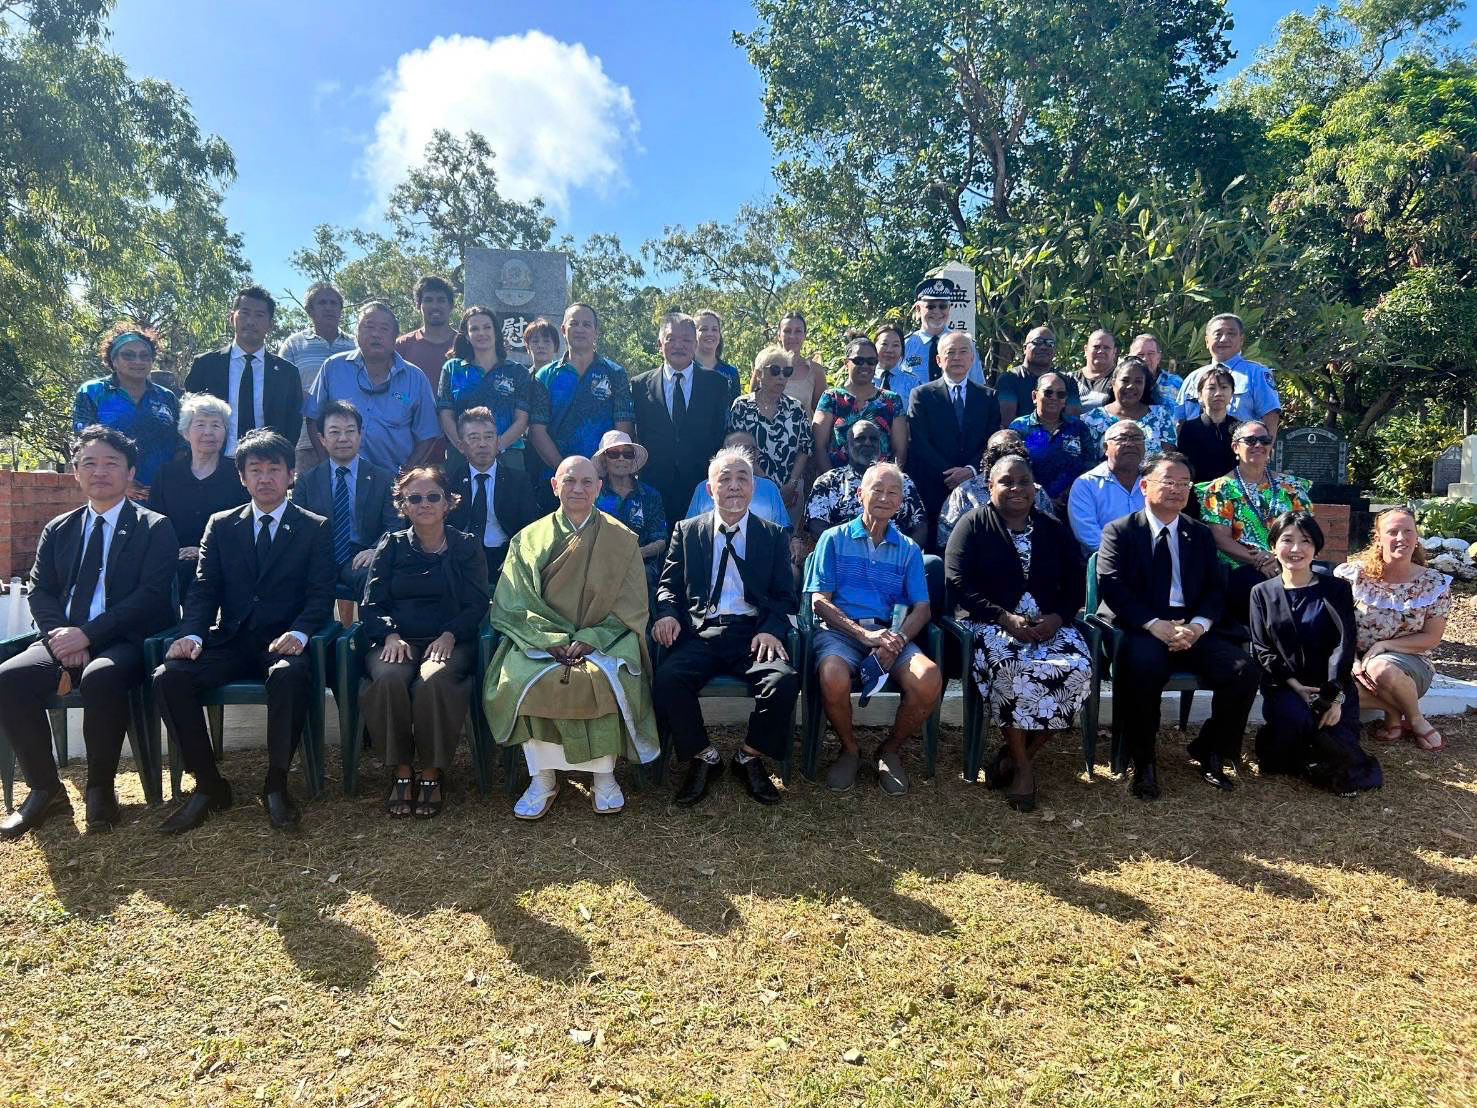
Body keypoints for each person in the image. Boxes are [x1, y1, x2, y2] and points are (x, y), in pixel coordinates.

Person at [153, 430, 336, 833]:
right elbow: (203, 589)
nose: (265, 478)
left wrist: (301, 634)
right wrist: (193, 635)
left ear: (292, 474)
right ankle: (209, 785)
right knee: (170, 678)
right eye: (255, 469)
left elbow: (321, 594)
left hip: (282, 642)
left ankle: (276, 784)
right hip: (231, 640)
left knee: (289, 676)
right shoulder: (221, 525)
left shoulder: (314, 527)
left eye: (275, 469)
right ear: (242, 477)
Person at [0, 427, 177, 838]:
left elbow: (150, 597)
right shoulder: (59, 528)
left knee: (101, 677)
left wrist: (89, 635)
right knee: (7, 680)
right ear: (76, 472)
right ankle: (46, 791)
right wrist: (62, 635)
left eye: (111, 462)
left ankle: (100, 788)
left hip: (126, 640)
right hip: (63, 637)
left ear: (130, 471)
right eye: (89, 463)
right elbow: (40, 590)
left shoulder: (155, 527)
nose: (100, 472)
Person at [483, 456, 659, 820]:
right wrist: (550, 638)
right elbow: (514, 601)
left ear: (599, 486)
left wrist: (594, 636)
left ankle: (604, 777)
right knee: (528, 681)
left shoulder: (621, 540)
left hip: (605, 638)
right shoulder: (528, 539)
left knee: (600, 680)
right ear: (554, 486)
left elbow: (631, 604)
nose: (578, 489)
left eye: (587, 482)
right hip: (542, 640)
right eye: (569, 481)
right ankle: (543, 778)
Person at [1097, 452, 1260, 799]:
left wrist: (1198, 627)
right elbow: (1112, 584)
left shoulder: (1198, 534)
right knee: (1141, 666)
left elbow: (1216, 587)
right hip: (1143, 627)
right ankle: (1143, 763)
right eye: (1169, 481)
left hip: (1192, 628)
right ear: (1145, 486)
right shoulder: (1121, 531)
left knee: (1242, 670)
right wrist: (1153, 624)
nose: (1178, 489)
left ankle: (1211, 749)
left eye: (1184, 483)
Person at [652, 446, 801, 806]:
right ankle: (705, 756)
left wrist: (771, 628)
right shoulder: (687, 531)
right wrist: (667, 613)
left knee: (782, 681)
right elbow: (668, 586)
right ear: (709, 488)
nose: (734, 486)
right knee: (668, 679)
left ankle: (748, 756)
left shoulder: (772, 534)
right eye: (725, 478)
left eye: (742, 478)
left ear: (754, 486)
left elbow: (785, 595)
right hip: (700, 633)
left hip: (753, 633)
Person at [945, 455, 1091, 812]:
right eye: (1006, 482)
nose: (1016, 489)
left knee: (1078, 668)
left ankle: (1016, 755)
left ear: (1034, 487)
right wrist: (1004, 618)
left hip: (1049, 624)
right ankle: (1024, 770)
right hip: (990, 624)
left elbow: (1075, 582)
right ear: (989, 487)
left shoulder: (1052, 528)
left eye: (1024, 481)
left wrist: (1056, 618)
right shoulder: (973, 525)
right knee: (1012, 669)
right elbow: (958, 581)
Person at [360, 466, 489, 819]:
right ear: (403, 504)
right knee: (387, 678)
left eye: (433, 496)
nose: (425, 504)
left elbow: (478, 602)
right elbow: (371, 602)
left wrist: (450, 634)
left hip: (450, 639)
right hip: (397, 639)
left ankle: (432, 771)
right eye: (414, 498)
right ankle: (401, 769)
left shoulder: (465, 546)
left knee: (434, 680)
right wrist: (389, 634)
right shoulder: (391, 545)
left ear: (448, 503)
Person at [806, 463, 943, 795]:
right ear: (859, 495)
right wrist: (862, 635)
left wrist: (895, 641)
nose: (884, 497)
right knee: (832, 676)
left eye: (892, 492)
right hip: (841, 633)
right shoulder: (832, 539)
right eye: (877, 490)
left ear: (900, 502)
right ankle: (850, 749)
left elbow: (921, 608)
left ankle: (890, 750)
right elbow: (819, 602)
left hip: (891, 636)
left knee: (928, 679)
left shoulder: (909, 549)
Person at [1251, 512, 1382, 796]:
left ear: (1316, 548)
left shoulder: (1335, 589)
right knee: (1298, 724)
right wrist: (1295, 685)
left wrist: (1333, 695)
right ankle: (1284, 746)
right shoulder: (1261, 593)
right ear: (1274, 545)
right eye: (1287, 540)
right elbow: (1262, 649)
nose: (1296, 549)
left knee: (1338, 743)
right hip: (1286, 685)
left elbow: (1343, 643)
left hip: (1332, 683)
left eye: (1305, 541)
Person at [1335, 507, 1453, 751]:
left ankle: (1416, 720)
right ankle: (1395, 712)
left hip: (1408, 667)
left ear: (1416, 537)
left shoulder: (1433, 584)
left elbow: (1431, 638)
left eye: (1408, 531)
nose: (1401, 538)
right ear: (1378, 539)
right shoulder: (1354, 577)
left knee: (1381, 666)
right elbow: (1337, 624)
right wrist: (1352, 659)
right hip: (1354, 662)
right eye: (1393, 532)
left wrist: (1384, 646)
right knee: (1333, 688)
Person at [1196, 420, 1311, 627]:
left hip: (1289, 561)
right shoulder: (1220, 489)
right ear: (1235, 447)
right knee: (1260, 586)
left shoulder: (1292, 486)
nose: (1258, 445)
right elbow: (1220, 538)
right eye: (1250, 440)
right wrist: (1258, 560)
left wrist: (1277, 559)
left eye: (1264, 440)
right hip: (1241, 567)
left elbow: (1307, 532)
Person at [305, 301, 441, 473]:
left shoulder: (415, 378)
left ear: (395, 337)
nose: (376, 334)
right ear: (356, 333)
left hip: (392, 481)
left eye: (384, 329)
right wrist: (327, 465)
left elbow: (428, 434)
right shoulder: (332, 368)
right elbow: (312, 418)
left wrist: (406, 475)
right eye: (368, 327)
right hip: (340, 478)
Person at [631, 313, 731, 528]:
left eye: (686, 340)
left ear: (695, 343)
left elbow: (719, 434)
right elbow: (636, 433)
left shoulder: (717, 384)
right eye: (671, 339)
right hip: (654, 485)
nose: (679, 345)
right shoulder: (639, 385)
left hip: (701, 485)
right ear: (660, 343)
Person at [289, 399, 397, 597]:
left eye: (350, 431)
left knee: (375, 578)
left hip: (361, 557)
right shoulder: (307, 480)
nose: (343, 438)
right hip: (319, 557)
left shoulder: (383, 478)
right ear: (322, 439)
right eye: (335, 432)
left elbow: (395, 526)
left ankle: (375, 628)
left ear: (360, 435)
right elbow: (297, 526)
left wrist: (375, 550)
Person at [148, 393, 249, 598]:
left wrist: (203, 551)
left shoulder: (238, 474)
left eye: (216, 425)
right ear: (186, 433)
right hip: (172, 567)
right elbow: (154, 522)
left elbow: (245, 525)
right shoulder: (167, 474)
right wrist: (175, 552)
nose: (208, 432)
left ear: (225, 432)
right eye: (200, 425)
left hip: (225, 567)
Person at [528, 303, 635, 495]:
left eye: (586, 325)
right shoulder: (545, 376)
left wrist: (604, 469)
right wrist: (566, 471)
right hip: (556, 479)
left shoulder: (614, 373)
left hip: (603, 480)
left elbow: (623, 426)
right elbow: (537, 431)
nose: (580, 329)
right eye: (574, 323)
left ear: (596, 332)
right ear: (563, 329)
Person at [185, 285, 302, 457]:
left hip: (265, 466)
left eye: (259, 315)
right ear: (231, 317)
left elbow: (293, 423)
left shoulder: (287, 373)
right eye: (245, 313)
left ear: (270, 324)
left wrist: (279, 459)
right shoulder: (205, 365)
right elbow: (188, 417)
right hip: (214, 464)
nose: (250, 322)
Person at [905, 331, 999, 540]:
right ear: (939, 360)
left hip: (976, 486)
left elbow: (991, 441)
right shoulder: (921, 395)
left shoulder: (988, 396)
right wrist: (950, 474)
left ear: (972, 359)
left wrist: (970, 470)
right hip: (933, 486)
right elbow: (920, 443)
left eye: (963, 352)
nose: (957, 357)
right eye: (950, 352)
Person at [73, 324, 181, 495]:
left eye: (144, 356)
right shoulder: (92, 392)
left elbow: (181, 445)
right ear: (113, 360)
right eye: (128, 355)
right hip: (111, 494)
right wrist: (121, 484)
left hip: (163, 493)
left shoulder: (167, 398)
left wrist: (173, 482)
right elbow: (86, 445)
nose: (138, 361)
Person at [444, 406, 541, 582]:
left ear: (497, 441)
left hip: (503, 555)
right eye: (473, 438)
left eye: (489, 437)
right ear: (461, 445)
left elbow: (529, 527)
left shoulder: (518, 481)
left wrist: (515, 557)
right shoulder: (449, 482)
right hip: (459, 557)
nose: (482, 444)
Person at [437, 305, 535, 470]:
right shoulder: (453, 368)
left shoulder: (517, 372)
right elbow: (445, 414)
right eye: (474, 329)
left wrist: (494, 448)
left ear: (496, 332)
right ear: (467, 336)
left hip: (507, 455)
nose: (481, 333)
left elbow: (521, 420)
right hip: (461, 456)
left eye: (487, 327)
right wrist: (464, 447)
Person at [808, 421, 929, 549]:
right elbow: (816, 526)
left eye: (873, 439)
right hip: (844, 554)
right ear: (846, 447)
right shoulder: (828, 481)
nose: (867, 443)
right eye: (860, 439)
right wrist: (850, 551)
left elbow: (920, 527)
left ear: (880, 446)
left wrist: (903, 553)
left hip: (896, 556)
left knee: (933, 563)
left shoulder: (902, 481)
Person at [280, 282, 355, 473]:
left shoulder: (355, 344)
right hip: (306, 443)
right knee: (310, 499)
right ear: (310, 310)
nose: (329, 307)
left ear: (341, 309)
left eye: (334, 303)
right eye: (322, 302)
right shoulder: (294, 345)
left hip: (350, 441)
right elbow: (283, 387)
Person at [726, 345, 811, 514]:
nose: (781, 377)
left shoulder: (796, 408)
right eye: (774, 370)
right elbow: (736, 450)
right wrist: (767, 485)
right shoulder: (742, 406)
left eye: (786, 372)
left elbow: (805, 448)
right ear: (758, 374)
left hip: (790, 493)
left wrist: (791, 484)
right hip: (751, 489)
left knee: (787, 538)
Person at [937, 429, 1056, 550]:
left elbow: (1052, 537)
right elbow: (946, 540)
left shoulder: (1036, 492)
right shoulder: (964, 492)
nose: (1006, 457)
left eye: (1013, 451)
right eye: (998, 452)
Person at [1175, 314, 1282, 435]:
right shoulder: (1193, 378)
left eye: (1231, 334)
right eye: (1218, 334)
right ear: (1207, 341)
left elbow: (1270, 417)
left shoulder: (1257, 374)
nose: (1224, 339)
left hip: (1239, 451)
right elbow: (1179, 422)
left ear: (1241, 340)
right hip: (1194, 451)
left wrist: (1265, 450)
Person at [813, 335, 909, 469]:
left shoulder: (892, 400)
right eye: (858, 360)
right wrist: (832, 483)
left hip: (880, 484)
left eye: (871, 361)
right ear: (846, 363)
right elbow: (819, 446)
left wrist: (887, 483)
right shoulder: (831, 398)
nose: (865, 365)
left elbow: (900, 450)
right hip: (838, 483)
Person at [1008, 372, 1098, 511]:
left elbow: (1089, 466)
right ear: (1034, 396)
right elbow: (1012, 468)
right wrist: (1039, 497)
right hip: (1029, 506)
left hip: (1072, 504)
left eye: (1060, 394)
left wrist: (1069, 493)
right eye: (1048, 392)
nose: (1054, 398)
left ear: (1065, 399)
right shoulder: (1019, 427)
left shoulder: (1078, 428)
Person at [592, 430, 668, 590]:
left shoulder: (651, 495)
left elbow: (661, 541)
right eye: (613, 453)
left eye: (627, 453)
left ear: (633, 459)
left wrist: (635, 554)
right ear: (604, 460)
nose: (621, 458)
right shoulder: (592, 495)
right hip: (600, 567)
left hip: (642, 567)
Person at [1067, 420, 1147, 554]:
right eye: (1122, 438)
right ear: (1105, 448)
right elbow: (1088, 535)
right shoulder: (1086, 484)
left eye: (1136, 438)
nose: (1130, 444)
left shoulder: (1153, 482)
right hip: (1107, 564)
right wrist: (1125, 558)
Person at [686, 432, 793, 531]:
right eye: (735, 448)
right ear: (723, 452)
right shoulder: (703, 488)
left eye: (748, 449)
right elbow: (690, 530)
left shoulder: (769, 488)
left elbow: (783, 530)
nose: (742, 454)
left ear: (757, 454)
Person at [1079, 356, 1178, 454]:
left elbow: (1168, 461)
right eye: (1125, 380)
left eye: (1138, 382)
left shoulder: (1161, 417)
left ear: (1145, 385)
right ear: (1113, 383)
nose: (1131, 386)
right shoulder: (1091, 419)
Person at [901, 276, 984, 386]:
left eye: (943, 306)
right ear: (919, 309)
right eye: (930, 306)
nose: (937, 311)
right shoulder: (905, 345)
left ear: (949, 308)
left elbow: (978, 385)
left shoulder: (966, 344)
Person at [995, 326, 1081, 426]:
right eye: (1037, 341)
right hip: (1019, 438)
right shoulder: (1009, 379)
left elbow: (1072, 423)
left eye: (1050, 343)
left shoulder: (1067, 381)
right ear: (1024, 348)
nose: (1044, 347)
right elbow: (1007, 423)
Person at [1174, 364, 1240, 485]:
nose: (1218, 393)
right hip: (1198, 493)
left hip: (1234, 493)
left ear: (1232, 394)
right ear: (1199, 395)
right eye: (1211, 388)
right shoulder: (1189, 428)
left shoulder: (1240, 428)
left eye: (1224, 387)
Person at [396, 274, 458, 402]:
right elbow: (393, 391)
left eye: (441, 300)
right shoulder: (402, 345)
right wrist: (410, 404)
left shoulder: (465, 343)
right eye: (428, 300)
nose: (435, 306)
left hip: (456, 420)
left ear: (451, 305)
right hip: (413, 420)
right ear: (418, 305)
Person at [775, 311, 828, 416]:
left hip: (803, 432)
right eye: (787, 331)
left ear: (805, 335)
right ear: (779, 335)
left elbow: (822, 414)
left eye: (798, 331)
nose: (792, 336)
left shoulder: (815, 371)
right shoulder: (765, 368)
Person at [873, 320, 923, 411]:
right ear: (874, 347)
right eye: (884, 344)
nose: (889, 350)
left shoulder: (912, 382)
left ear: (902, 350)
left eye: (895, 345)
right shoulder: (865, 378)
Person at [693, 308, 742, 401]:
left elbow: (736, 409)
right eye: (704, 329)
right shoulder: (684, 370)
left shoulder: (731, 372)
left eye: (714, 329)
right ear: (693, 334)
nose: (710, 333)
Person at [1128, 332, 1182, 404]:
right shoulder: (1123, 383)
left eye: (1150, 354)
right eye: (1140, 355)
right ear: (1130, 358)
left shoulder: (1176, 382)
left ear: (1158, 357)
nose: (1145, 359)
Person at [1070, 330, 1118, 410]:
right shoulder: (1069, 379)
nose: (1101, 351)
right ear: (1086, 349)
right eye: (1096, 347)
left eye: (1106, 348)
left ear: (1114, 352)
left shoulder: (1121, 380)